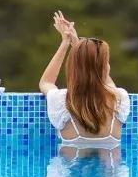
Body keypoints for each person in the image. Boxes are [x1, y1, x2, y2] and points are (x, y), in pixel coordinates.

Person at [38, 10, 131, 147]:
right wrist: (78, 46)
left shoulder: (62, 101)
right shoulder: (119, 98)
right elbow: (103, 78)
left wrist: (65, 43)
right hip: (112, 168)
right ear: (105, 68)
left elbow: (46, 82)